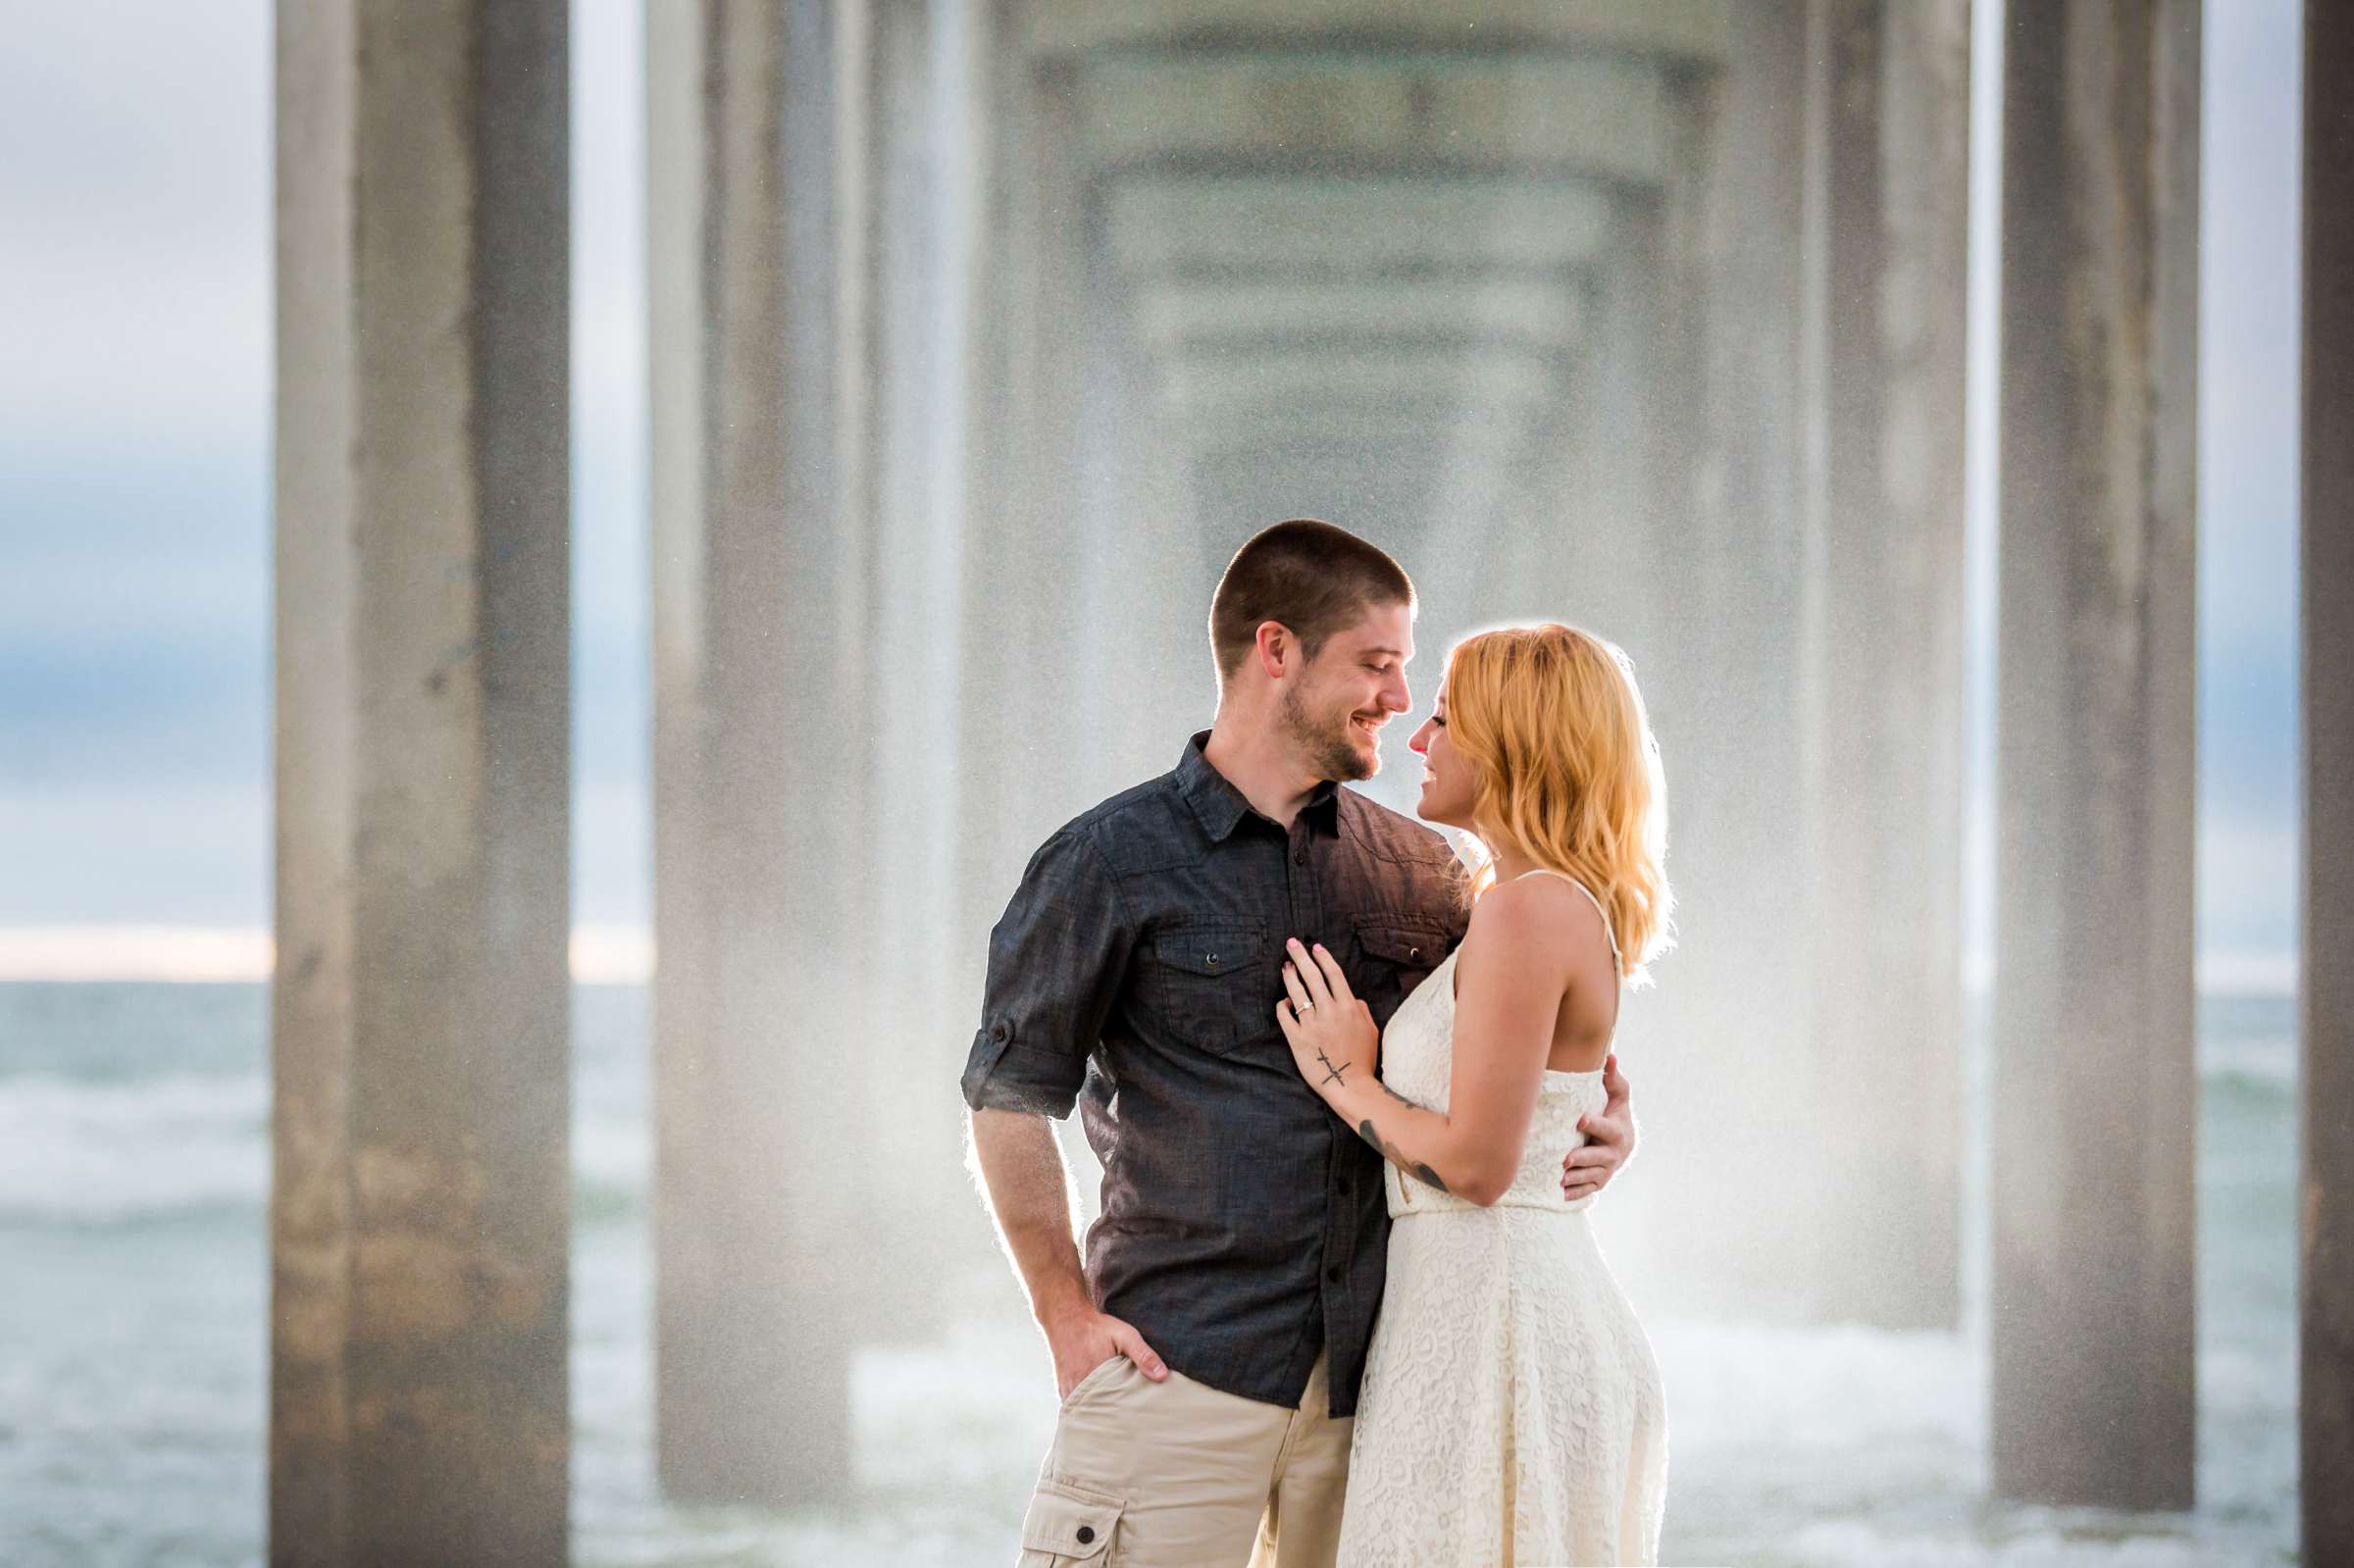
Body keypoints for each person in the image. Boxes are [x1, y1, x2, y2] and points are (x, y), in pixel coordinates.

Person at [961, 520, 1638, 1568]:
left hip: (1377, 1396)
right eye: (1377, 664)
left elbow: (1517, 1052)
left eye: (1410, 672)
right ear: (1276, 651)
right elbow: (1010, 1096)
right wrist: (1063, 1315)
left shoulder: (1431, 873)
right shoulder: (1106, 860)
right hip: (1176, 1374)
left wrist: (1606, 1118)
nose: (1400, 700)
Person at [1275, 621, 1672, 1566]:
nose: (1419, 738)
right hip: (1483, 1306)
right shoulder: (1530, 901)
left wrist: (1345, 1077)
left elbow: (1480, 1166)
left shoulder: (1528, 909)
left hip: (1497, 1327)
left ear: (1513, 740)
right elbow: (1542, 1112)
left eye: (1446, 718)